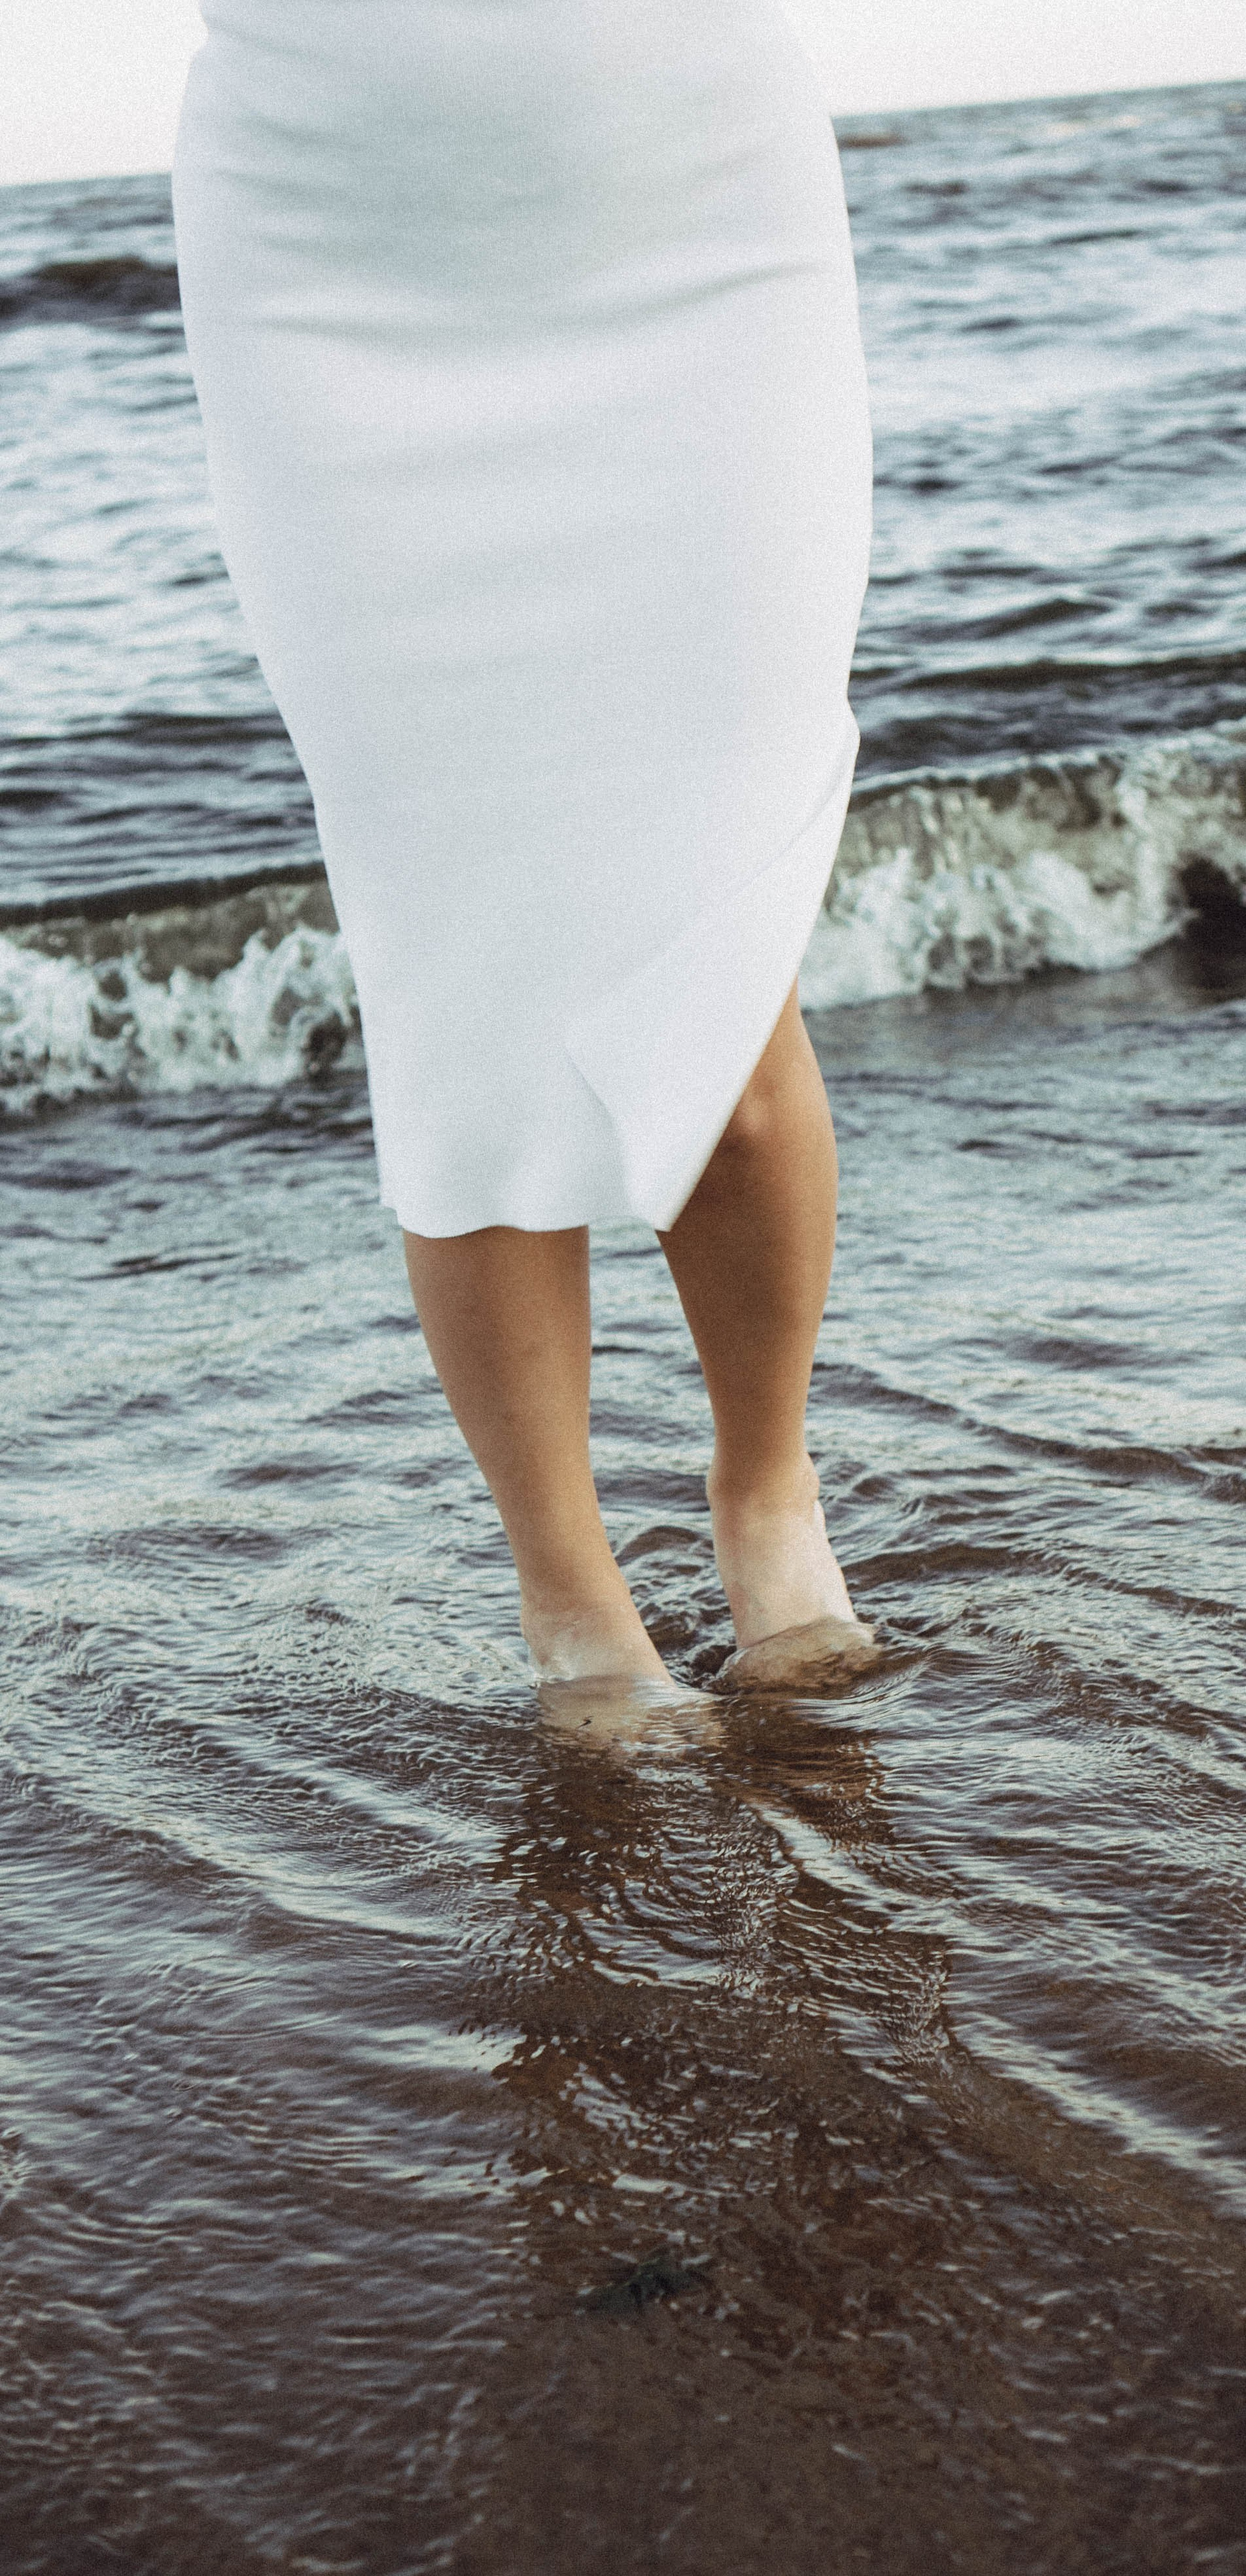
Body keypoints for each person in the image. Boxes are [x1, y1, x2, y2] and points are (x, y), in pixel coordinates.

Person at [172, 1, 880, 1700]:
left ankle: (765, 1494)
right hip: (330, 246)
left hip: (697, 219)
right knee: (458, 978)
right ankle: (568, 1594)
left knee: (721, 937)